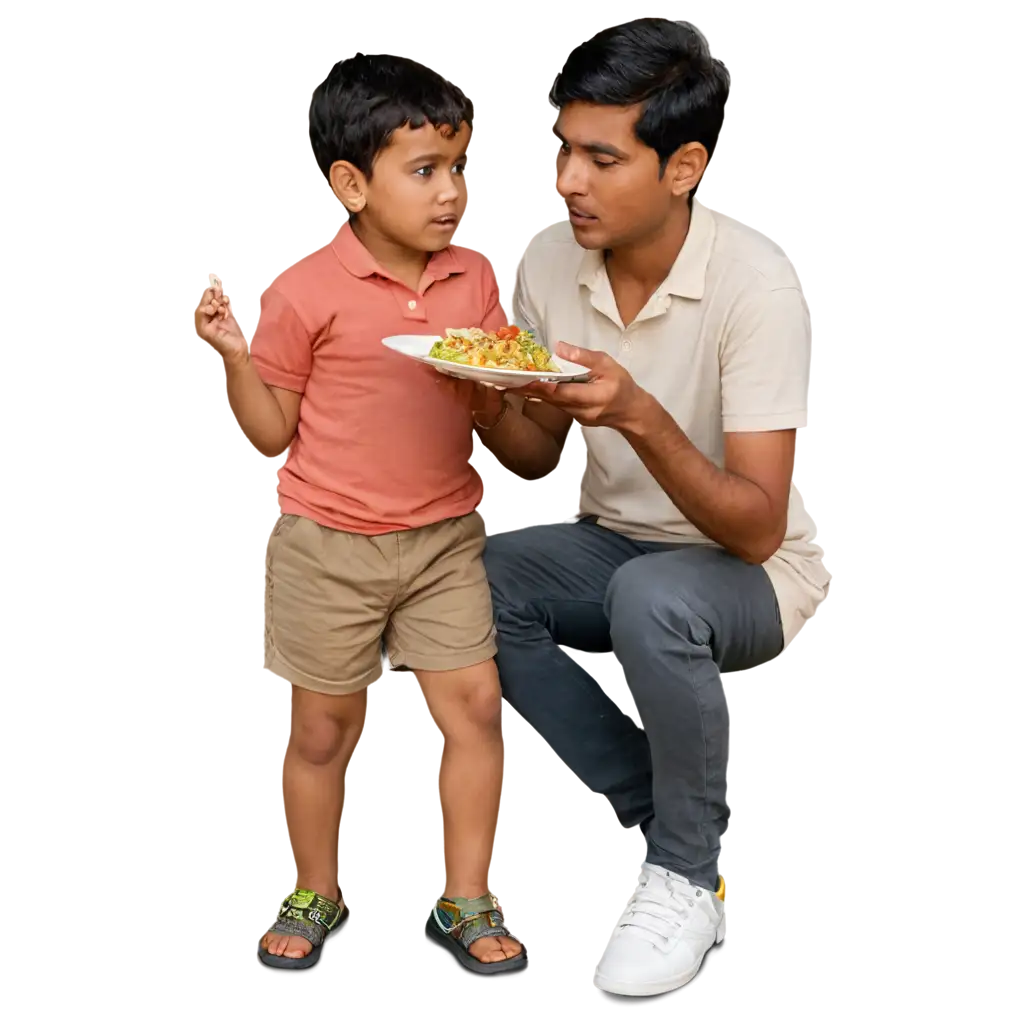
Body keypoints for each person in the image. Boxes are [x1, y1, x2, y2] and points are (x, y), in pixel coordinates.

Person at [473, 17, 830, 1000]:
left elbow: (756, 525)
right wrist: (479, 400)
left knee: (654, 599)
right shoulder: (548, 263)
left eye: (600, 158)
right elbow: (544, 458)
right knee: (486, 579)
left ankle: (682, 871)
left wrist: (637, 411)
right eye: (562, 151)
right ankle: (675, 833)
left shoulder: (755, 287)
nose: (565, 183)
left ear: (683, 168)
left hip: (751, 573)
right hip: (618, 545)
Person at [193, 52, 525, 977]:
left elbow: (493, 401)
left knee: (477, 708)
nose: (450, 192)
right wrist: (232, 358)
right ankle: (315, 888)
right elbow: (272, 430)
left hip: (442, 539)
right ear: (350, 182)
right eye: (424, 171)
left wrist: (494, 387)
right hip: (326, 542)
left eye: (458, 168)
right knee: (320, 730)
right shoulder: (307, 290)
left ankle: (465, 899)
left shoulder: (475, 281)